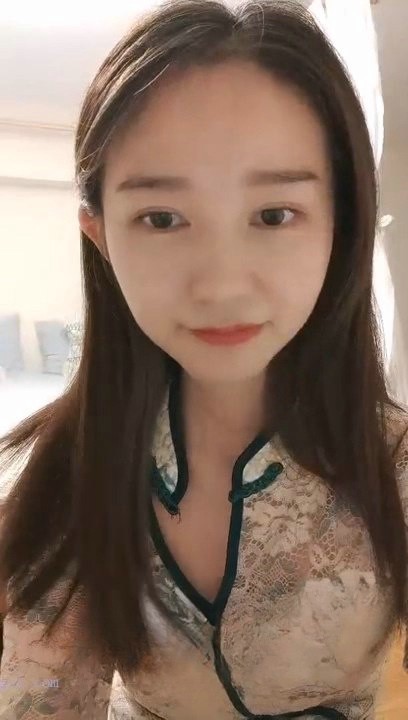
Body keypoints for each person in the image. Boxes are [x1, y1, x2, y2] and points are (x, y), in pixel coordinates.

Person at [0, 1, 407, 718]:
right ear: (101, 237)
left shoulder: (394, 462)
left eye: (273, 215)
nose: (220, 285)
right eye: (162, 219)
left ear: (338, 226)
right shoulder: (62, 471)